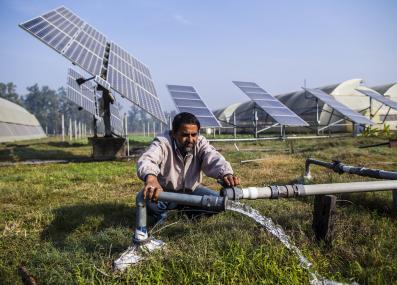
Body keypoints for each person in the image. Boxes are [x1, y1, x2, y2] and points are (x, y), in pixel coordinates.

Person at [136, 112, 240, 222]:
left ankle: (191, 213)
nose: (190, 139)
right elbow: (148, 160)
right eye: (185, 135)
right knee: (146, 199)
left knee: (220, 202)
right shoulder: (163, 142)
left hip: (192, 192)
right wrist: (151, 179)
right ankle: (162, 219)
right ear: (174, 134)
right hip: (165, 193)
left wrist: (226, 173)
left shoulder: (200, 143)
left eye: (194, 134)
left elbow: (213, 157)